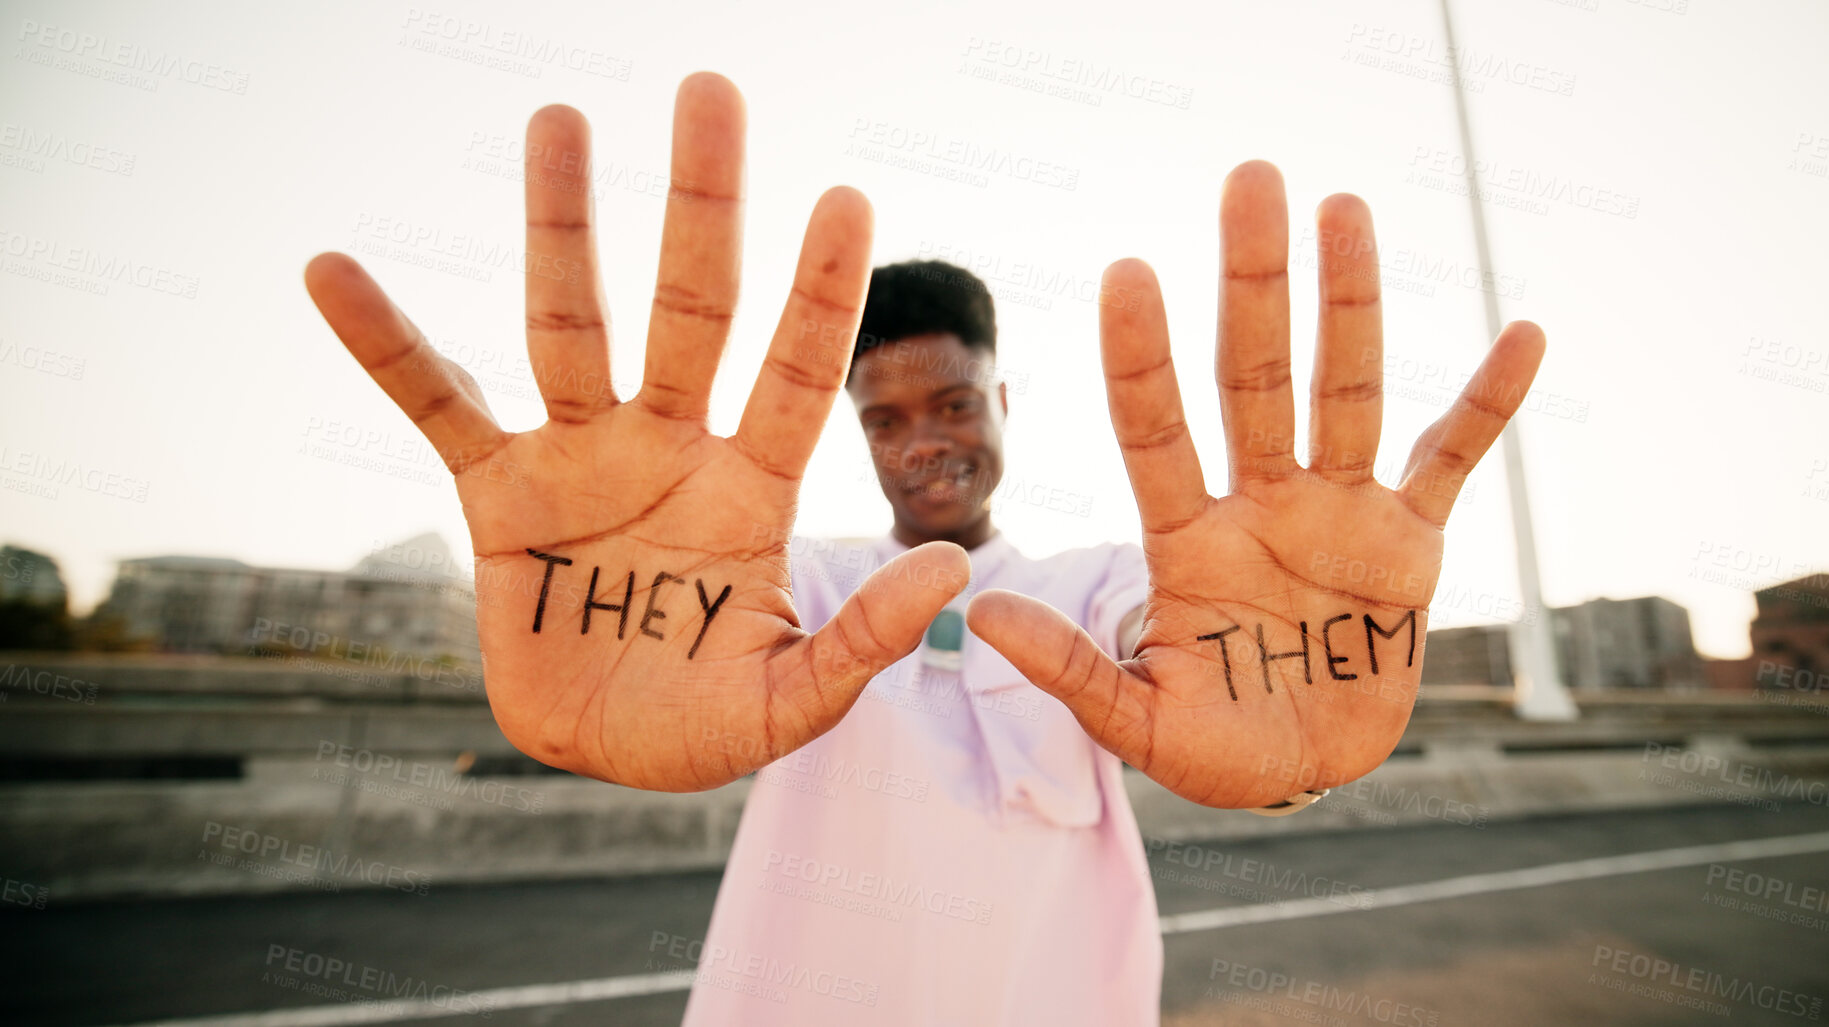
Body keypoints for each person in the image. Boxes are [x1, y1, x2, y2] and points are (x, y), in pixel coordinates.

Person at [303, 71, 1545, 1025]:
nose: (926, 444)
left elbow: (1190, 660)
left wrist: (1291, 762)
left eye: (955, 403)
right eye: (886, 418)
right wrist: (596, 687)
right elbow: (695, 646)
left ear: (1007, 402)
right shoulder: (802, 580)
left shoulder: (1103, 584)